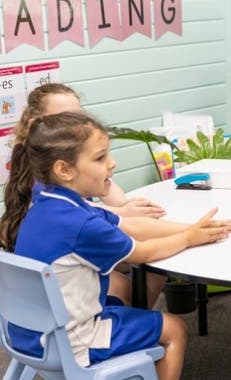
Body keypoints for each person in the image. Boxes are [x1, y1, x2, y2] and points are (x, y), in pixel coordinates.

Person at [0, 112, 231, 380]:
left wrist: (191, 228)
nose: (112, 164)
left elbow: (129, 225)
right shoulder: (81, 225)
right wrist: (188, 239)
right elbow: (143, 253)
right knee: (175, 330)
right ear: (64, 170)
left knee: (124, 301)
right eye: (100, 158)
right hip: (72, 341)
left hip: (25, 333)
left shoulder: (48, 199)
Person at [14, 82, 167, 308]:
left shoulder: (81, 159)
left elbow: (115, 199)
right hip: (65, 259)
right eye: (64, 118)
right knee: (144, 262)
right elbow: (71, 217)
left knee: (156, 258)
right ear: (39, 126)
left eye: (78, 116)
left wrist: (110, 192)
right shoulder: (41, 174)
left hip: (82, 240)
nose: (76, 125)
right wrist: (120, 212)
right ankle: (126, 326)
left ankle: (135, 323)